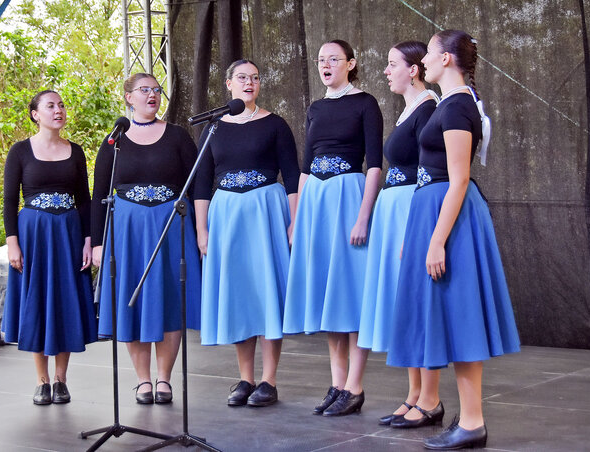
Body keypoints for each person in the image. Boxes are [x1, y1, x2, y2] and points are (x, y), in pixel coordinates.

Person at [386, 30, 520, 450]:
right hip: (433, 213)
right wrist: (422, 234)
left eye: (428, 53)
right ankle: (463, 417)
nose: (423, 60)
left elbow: (458, 179)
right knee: (446, 317)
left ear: (446, 60)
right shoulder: (450, 103)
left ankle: (473, 422)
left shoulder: (459, 104)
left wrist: (437, 240)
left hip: (452, 217)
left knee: (460, 318)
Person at [283, 40, 383, 416]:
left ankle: (355, 387)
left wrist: (363, 215)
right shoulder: (316, 108)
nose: (325, 65)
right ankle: (337, 384)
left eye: (333, 59)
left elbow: (374, 164)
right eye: (321, 60)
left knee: (350, 294)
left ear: (350, 64)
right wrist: (298, 219)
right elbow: (306, 166)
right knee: (329, 295)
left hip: (347, 198)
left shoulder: (365, 104)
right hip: (317, 204)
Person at [194, 59, 300, 407]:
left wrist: (294, 221)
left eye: (255, 78)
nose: (249, 83)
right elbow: (201, 185)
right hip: (226, 216)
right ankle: (245, 378)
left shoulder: (275, 125)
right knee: (239, 293)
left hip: (265, 213)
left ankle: (269, 379)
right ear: (229, 84)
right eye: (242, 78)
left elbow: (293, 178)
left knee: (265, 290)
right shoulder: (212, 129)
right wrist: (202, 229)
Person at [91, 73, 201, 405]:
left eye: (156, 90)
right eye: (144, 90)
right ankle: (142, 381)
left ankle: (164, 379)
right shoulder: (115, 140)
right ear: (128, 97)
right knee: (132, 301)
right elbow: (99, 195)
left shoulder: (178, 137)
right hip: (127, 232)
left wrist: (199, 231)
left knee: (168, 300)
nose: (152, 95)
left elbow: (196, 187)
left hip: (170, 228)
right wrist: (97, 243)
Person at [357, 41, 443, 429]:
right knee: (401, 304)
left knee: (416, 302)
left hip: (412, 209)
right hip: (394, 211)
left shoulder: (428, 108)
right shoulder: (411, 109)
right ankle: (413, 394)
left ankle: (431, 398)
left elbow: (430, 171)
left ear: (413, 69)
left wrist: (418, 231)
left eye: (393, 64)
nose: (386, 71)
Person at [2, 90, 97, 406]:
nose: (58, 110)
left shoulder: (76, 152)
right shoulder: (20, 151)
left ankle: (61, 380)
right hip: (33, 233)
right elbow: (9, 200)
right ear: (35, 114)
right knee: (39, 300)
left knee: (64, 298)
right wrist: (12, 242)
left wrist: (87, 239)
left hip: (68, 232)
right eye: (50, 106)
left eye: (61, 105)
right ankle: (42, 381)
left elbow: (85, 200)